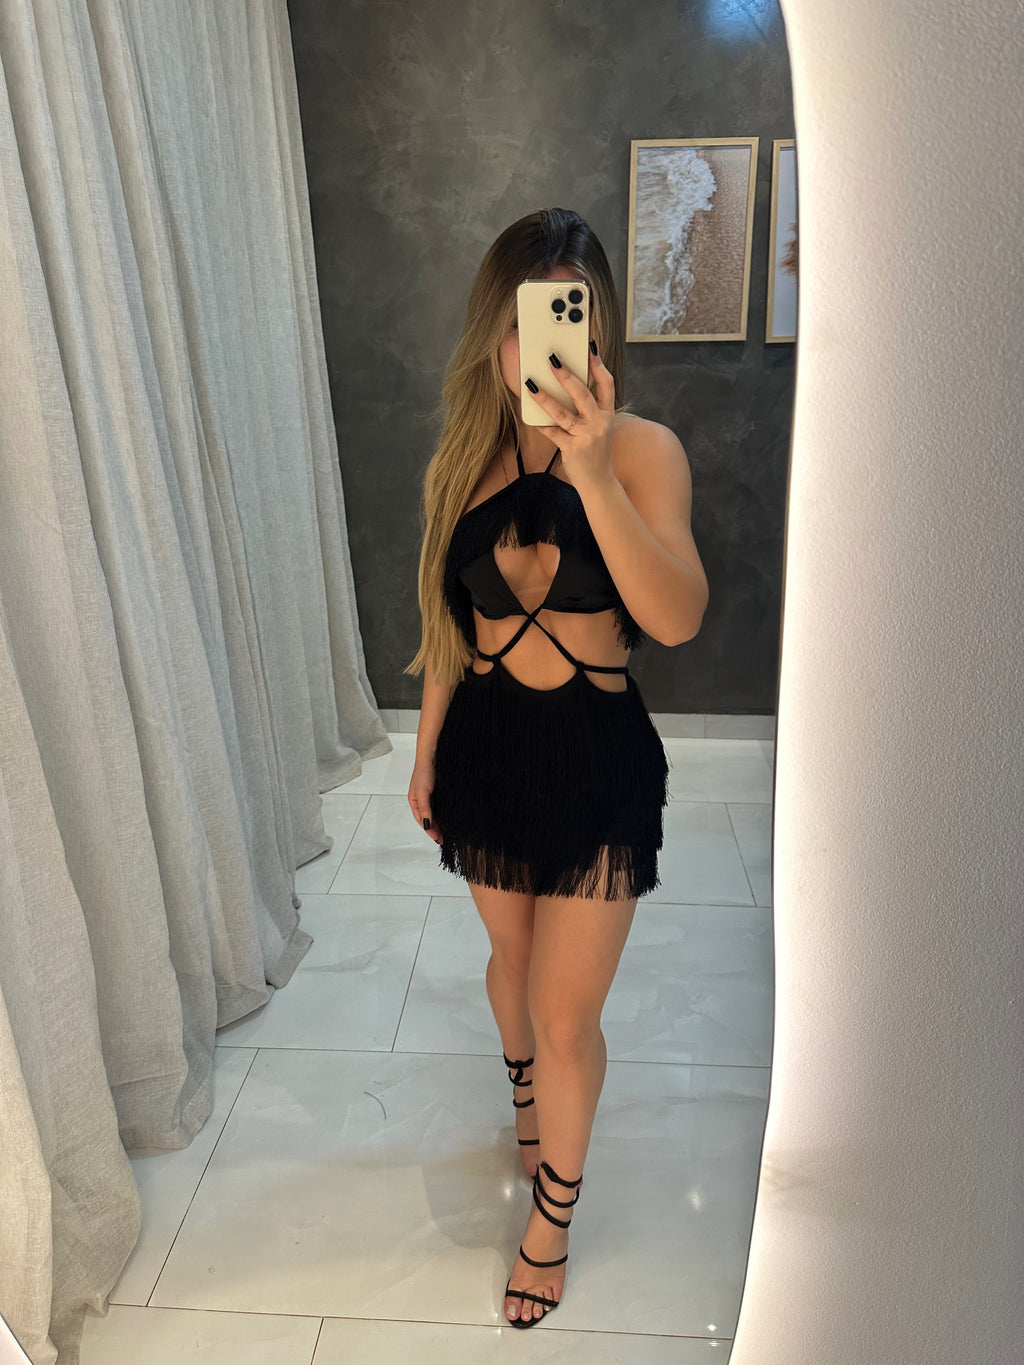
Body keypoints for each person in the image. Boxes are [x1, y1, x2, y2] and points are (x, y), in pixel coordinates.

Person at [404, 207, 709, 1328]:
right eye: (519, 322)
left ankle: (553, 1220)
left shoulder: (643, 452)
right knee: (512, 959)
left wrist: (594, 474)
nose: (537, 347)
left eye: (564, 315)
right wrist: (425, 754)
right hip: (486, 752)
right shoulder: (461, 463)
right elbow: (451, 633)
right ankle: (526, 1099)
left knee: (567, 1011)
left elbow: (675, 617)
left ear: (595, 326)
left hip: (597, 761)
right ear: (495, 331)